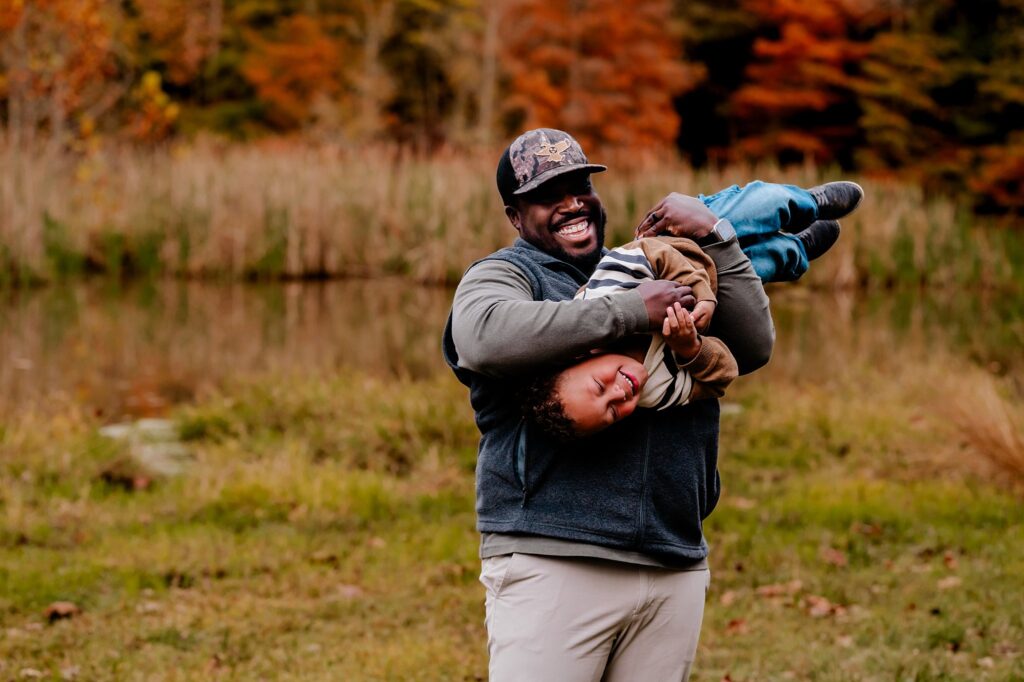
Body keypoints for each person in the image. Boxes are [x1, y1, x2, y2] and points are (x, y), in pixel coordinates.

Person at [442, 128, 861, 681]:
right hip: (554, 560)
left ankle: (786, 240)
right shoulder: (506, 276)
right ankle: (789, 238)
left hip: (673, 559)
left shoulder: (636, 264)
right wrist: (633, 310)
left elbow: (753, 348)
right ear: (515, 216)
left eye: (579, 186)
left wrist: (716, 234)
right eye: (548, 195)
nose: (572, 203)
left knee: (705, 231)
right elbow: (481, 337)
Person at [520, 174, 863, 440]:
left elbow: (652, 254)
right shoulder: (654, 393)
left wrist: (703, 297)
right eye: (611, 411)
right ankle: (798, 249)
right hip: (723, 288)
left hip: (682, 245)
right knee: (766, 263)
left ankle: (807, 202)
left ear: (580, 356)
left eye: (600, 386)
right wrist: (691, 350)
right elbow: (721, 378)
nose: (619, 392)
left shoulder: (600, 300)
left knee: (749, 207)